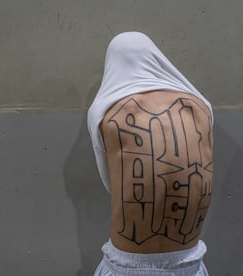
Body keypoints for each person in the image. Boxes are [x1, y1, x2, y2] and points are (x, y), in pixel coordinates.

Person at [87, 32, 213, 275]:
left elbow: (111, 183)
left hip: (127, 264)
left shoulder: (106, 113)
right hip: (189, 262)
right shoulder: (201, 108)